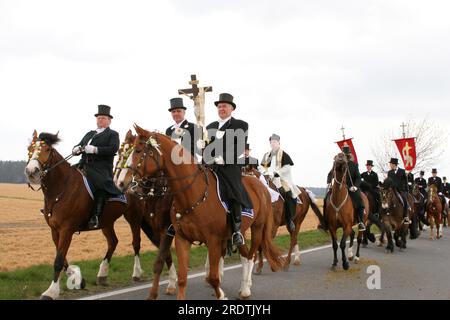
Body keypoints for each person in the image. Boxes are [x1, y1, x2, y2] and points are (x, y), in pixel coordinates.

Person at [202, 93, 252, 247]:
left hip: (230, 165)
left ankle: (236, 230)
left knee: (233, 189)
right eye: (219, 106)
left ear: (231, 108)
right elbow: (207, 147)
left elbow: (239, 146)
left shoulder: (241, 125)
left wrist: (223, 157)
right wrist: (202, 147)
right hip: (212, 165)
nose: (221, 108)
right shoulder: (210, 127)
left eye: (225, 106)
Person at [72, 105, 121, 229]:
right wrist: (76, 149)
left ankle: (96, 216)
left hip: (101, 167)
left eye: (103, 118)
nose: (100, 120)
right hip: (84, 163)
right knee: (66, 176)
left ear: (109, 120)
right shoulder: (90, 134)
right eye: (99, 118)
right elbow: (79, 145)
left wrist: (95, 150)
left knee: (100, 183)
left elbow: (113, 149)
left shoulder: (113, 134)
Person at [260, 134, 300, 232]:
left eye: (274, 142)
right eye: (271, 142)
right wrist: (265, 172)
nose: (273, 144)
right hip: (268, 178)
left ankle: (289, 219)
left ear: (278, 143)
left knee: (288, 193)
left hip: (282, 179)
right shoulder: (267, 155)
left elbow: (287, 167)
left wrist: (277, 173)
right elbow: (262, 167)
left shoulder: (283, 154)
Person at [387, 158, 410, 225]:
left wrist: (407, 190)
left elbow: (406, 181)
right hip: (392, 190)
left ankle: (405, 216)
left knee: (404, 200)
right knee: (386, 199)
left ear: (394, 164)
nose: (390, 165)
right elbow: (388, 182)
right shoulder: (389, 172)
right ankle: (387, 212)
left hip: (401, 190)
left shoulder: (402, 171)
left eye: (390, 164)